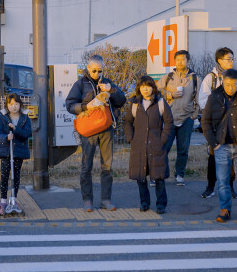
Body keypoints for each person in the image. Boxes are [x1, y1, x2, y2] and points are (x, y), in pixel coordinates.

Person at [65, 53, 126, 211]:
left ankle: (106, 199)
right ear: (88, 68)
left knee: (107, 166)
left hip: (106, 128)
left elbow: (122, 101)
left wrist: (111, 90)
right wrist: (87, 106)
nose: (98, 74)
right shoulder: (80, 84)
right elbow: (69, 104)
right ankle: (87, 200)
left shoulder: (107, 83)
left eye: (100, 71)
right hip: (89, 129)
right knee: (86, 166)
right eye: (94, 71)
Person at [201, 68, 237, 223]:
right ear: (223, 82)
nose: (230, 88)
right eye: (227, 84)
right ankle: (225, 209)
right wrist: (213, 144)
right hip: (221, 146)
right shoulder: (215, 97)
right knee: (222, 181)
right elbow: (205, 121)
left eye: (234, 84)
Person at [198, 47, 237, 199]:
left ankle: (230, 187)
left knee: (232, 156)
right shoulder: (210, 78)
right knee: (213, 155)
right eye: (228, 59)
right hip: (216, 125)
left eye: (232, 58)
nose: (231, 61)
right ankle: (211, 186)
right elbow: (202, 100)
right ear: (219, 60)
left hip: (233, 124)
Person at [124, 74, 173, 214]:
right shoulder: (134, 104)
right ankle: (144, 202)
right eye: (143, 87)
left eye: (149, 86)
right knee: (141, 177)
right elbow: (127, 122)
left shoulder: (161, 102)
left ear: (153, 88)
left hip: (156, 145)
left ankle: (161, 204)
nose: (146, 90)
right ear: (139, 88)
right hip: (138, 146)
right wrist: (130, 138)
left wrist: (162, 139)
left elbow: (169, 122)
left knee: (159, 177)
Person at [157, 50, 201, 186]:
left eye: (183, 59)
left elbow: (200, 98)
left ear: (188, 61)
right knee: (164, 148)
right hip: (169, 118)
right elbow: (156, 91)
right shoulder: (168, 77)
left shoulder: (195, 79)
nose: (180, 62)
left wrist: (194, 115)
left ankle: (180, 174)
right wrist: (170, 95)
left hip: (186, 118)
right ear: (174, 61)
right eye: (177, 60)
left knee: (183, 149)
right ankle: (159, 175)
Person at [0, 93, 32, 215]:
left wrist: (16, 129)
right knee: (5, 176)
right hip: (6, 151)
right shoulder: (2, 117)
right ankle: (3, 202)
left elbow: (27, 134)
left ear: (20, 105)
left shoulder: (25, 117)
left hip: (19, 152)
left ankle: (14, 200)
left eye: (16, 104)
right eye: (11, 104)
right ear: (7, 105)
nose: (14, 106)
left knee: (16, 177)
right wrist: (6, 137)